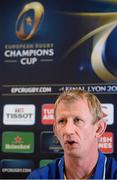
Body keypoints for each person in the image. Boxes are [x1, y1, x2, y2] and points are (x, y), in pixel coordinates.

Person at [27, 89, 117, 179]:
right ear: (55, 130)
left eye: (77, 120)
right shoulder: (38, 178)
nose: (68, 130)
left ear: (99, 129)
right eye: (62, 121)